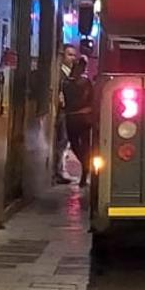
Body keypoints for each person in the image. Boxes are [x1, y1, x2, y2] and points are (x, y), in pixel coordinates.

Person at [62, 57, 96, 188]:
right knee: (85, 146)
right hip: (85, 117)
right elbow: (92, 98)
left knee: (75, 145)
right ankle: (86, 170)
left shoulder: (66, 82)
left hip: (72, 118)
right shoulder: (85, 82)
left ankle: (85, 167)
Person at [52, 43, 78, 184]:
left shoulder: (71, 74)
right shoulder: (60, 75)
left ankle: (60, 170)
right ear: (62, 56)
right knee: (62, 143)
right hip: (62, 112)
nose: (72, 58)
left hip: (69, 112)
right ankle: (59, 171)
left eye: (74, 55)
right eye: (69, 55)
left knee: (65, 142)